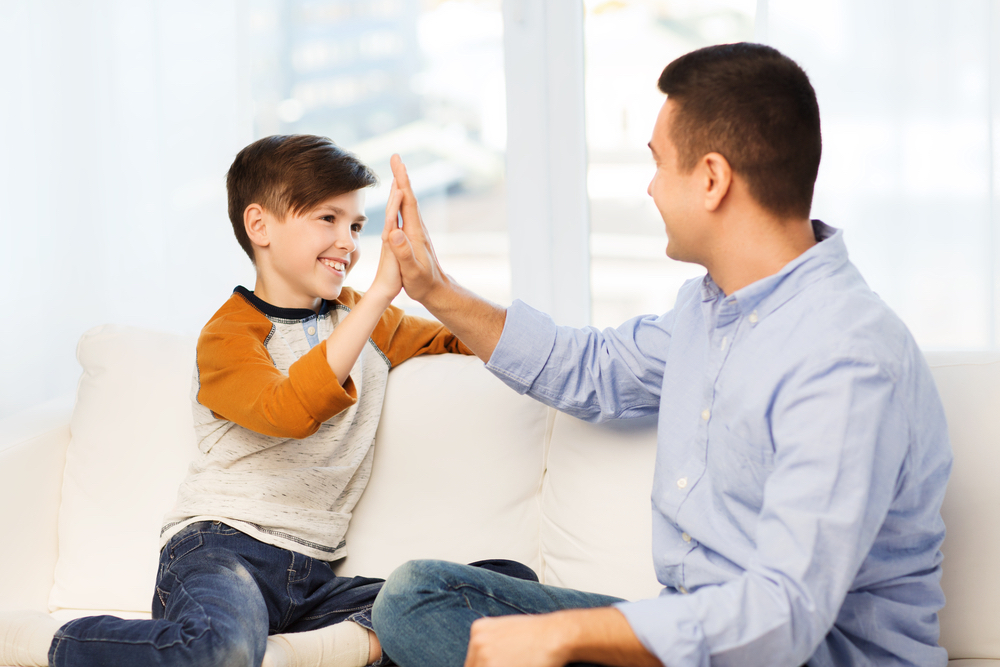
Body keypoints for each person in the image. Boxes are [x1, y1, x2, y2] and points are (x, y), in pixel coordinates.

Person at [369, 43, 953, 667]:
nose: (649, 189)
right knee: (418, 597)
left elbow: (784, 616)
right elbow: (590, 369)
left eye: (658, 165)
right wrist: (435, 290)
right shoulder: (707, 312)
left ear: (711, 178)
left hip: (796, 654)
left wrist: (566, 636)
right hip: (694, 638)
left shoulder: (847, 359)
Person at [0, 134, 534, 667]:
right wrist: (376, 297)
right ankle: (41, 643)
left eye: (356, 225)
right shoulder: (230, 335)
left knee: (505, 592)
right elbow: (286, 410)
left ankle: (326, 645)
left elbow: (469, 336)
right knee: (218, 652)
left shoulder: (369, 323)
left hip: (316, 576)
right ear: (260, 227)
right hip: (221, 551)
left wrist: (431, 283)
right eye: (327, 219)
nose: (347, 242)